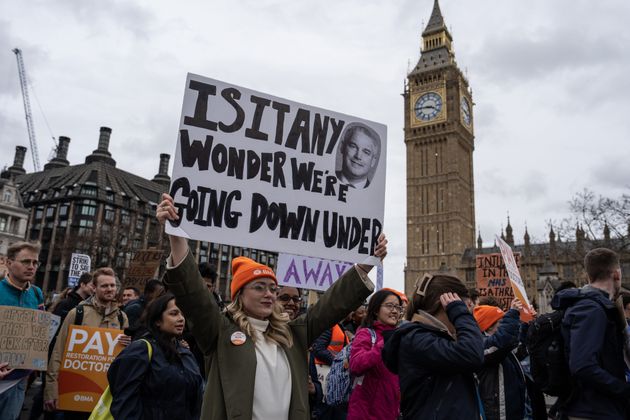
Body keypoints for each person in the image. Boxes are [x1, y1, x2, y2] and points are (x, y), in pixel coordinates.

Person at [156, 193, 385, 420]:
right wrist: (176, 235)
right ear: (239, 295)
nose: (269, 295)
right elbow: (194, 296)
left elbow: (332, 305)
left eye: (272, 289)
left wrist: (365, 264)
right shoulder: (220, 331)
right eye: (259, 287)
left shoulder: (293, 334)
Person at [382, 273, 484, 419]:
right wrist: (460, 313)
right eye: (465, 308)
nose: (468, 316)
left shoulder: (431, 337)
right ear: (444, 304)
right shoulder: (416, 339)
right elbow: (472, 354)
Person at [551, 248, 630, 419]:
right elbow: (583, 365)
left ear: (588, 276)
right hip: (591, 411)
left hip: (601, 408)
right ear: (617, 275)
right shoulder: (590, 309)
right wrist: (623, 389)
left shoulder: (598, 306)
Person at [45, 267, 130, 420]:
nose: (110, 289)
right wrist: (51, 388)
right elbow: (58, 351)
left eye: (112, 285)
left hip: (105, 394)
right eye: (104, 286)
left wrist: (129, 345)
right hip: (76, 393)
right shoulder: (77, 313)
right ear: (94, 288)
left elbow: (124, 359)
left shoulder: (122, 318)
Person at [107, 292, 203, 419]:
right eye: (174, 314)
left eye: (182, 313)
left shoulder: (185, 353)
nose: (181, 318)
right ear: (157, 320)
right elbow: (124, 404)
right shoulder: (140, 350)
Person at [0, 242, 44, 419]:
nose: (31, 267)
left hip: (18, 380)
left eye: (35, 263)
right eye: (26, 261)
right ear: (9, 262)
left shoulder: (36, 293)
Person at [347, 289, 401, 420]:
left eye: (398, 307)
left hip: (391, 412)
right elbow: (355, 365)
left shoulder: (400, 338)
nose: (395, 311)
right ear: (376, 310)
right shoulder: (366, 334)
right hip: (365, 413)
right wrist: (384, 343)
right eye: (389, 306)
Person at [474, 300, 527, 420]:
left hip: (512, 410)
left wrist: (527, 325)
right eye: (500, 321)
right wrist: (512, 313)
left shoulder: (500, 346)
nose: (503, 324)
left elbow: (517, 349)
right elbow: (503, 341)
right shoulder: (481, 345)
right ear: (489, 325)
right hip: (497, 412)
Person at [335, 123, 380, 189]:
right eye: (353, 146)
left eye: (366, 152)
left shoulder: (374, 195)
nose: (358, 156)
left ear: (373, 161)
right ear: (342, 147)